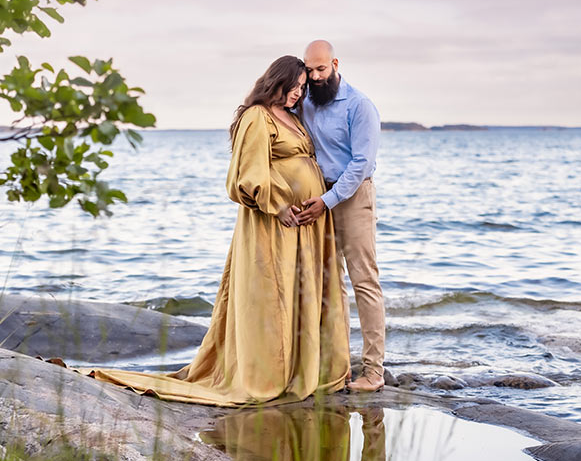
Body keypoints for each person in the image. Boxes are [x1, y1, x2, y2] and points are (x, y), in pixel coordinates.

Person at [90, 55, 350, 405]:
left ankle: (299, 368)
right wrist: (279, 206)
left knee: (298, 293)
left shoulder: (290, 117)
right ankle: (267, 371)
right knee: (272, 296)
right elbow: (247, 173)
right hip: (274, 223)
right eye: (294, 87)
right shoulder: (256, 116)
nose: (298, 94)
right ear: (277, 81)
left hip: (304, 227)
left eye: (303, 89)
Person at [297, 40, 386, 392]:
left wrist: (329, 199)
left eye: (321, 69)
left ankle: (374, 372)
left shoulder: (360, 105)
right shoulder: (303, 101)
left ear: (335, 63)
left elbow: (361, 163)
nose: (315, 76)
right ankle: (331, 367)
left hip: (351, 197)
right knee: (324, 283)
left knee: (364, 281)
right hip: (317, 197)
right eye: (309, 70)